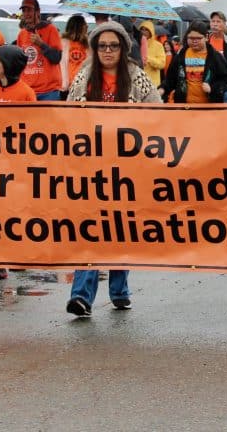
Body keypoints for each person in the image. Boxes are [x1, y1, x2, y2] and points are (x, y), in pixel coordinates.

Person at [65, 21, 161, 317]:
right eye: (102, 45)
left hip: (127, 167)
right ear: (95, 48)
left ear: (123, 47)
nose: (108, 51)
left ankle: (119, 290)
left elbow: (159, 114)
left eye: (114, 45)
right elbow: (67, 115)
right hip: (90, 164)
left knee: (121, 227)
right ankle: (81, 295)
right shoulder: (84, 76)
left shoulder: (136, 76)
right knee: (90, 228)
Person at [158, 20, 227, 104]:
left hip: (210, 108)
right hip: (184, 107)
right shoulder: (180, 56)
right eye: (191, 38)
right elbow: (170, 78)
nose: (194, 41)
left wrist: (212, 88)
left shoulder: (215, 56)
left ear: (206, 37)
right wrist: (162, 89)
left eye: (198, 38)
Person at [16, 0, 63, 100]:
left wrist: (41, 44)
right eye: (24, 11)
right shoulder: (22, 34)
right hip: (28, 90)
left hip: (49, 91)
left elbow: (56, 58)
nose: (26, 14)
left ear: (37, 12)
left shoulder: (51, 29)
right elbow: (20, 63)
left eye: (29, 10)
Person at [60, 15, 88, 100]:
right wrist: (64, 83)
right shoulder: (64, 42)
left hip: (83, 86)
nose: (87, 26)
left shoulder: (87, 44)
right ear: (78, 26)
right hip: (68, 86)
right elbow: (62, 63)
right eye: (84, 24)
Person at [138, 20, 166, 87]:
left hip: (152, 83)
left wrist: (147, 58)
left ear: (151, 32)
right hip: (138, 81)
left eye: (146, 30)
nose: (143, 32)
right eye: (142, 29)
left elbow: (162, 64)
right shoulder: (136, 44)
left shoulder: (158, 45)